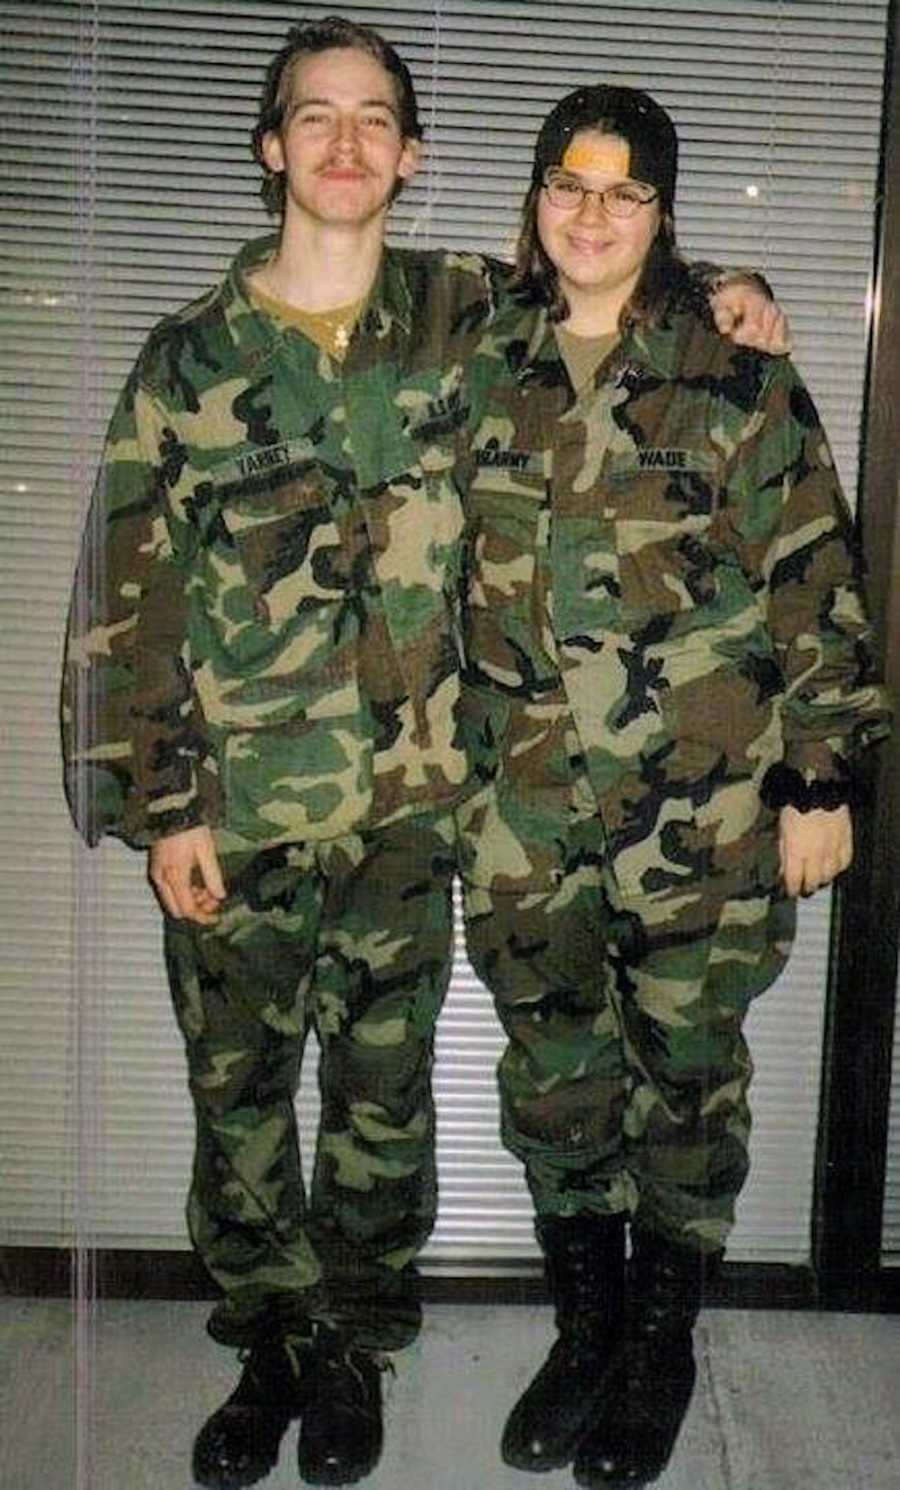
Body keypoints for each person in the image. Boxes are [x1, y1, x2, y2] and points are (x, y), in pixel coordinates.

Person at [60, 17, 790, 1489]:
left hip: (415, 809)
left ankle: (357, 1348)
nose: (343, 142)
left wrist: (730, 289)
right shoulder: (188, 361)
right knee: (240, 1100)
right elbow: (119, 602)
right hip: (242, 813)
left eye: (372, 117)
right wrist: (158, 808)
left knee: (382, 1108)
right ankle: (270, 1338)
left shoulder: (469, 317)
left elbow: (612, 290)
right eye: (312, 117)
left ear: (413, 153)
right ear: (271, 148)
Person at [456, 83, 892, 1488]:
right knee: (558, 1080)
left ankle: (662, 1346)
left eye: (625, 191)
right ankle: (586, 1332)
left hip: (702, 814)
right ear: (535, 198)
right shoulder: (468, 362)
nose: (592, 213)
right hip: (522, 814)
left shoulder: (738, 375)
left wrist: (826, 779)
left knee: (689, 1085)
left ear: (662, 210)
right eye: (567, 184)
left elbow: (818, 582)